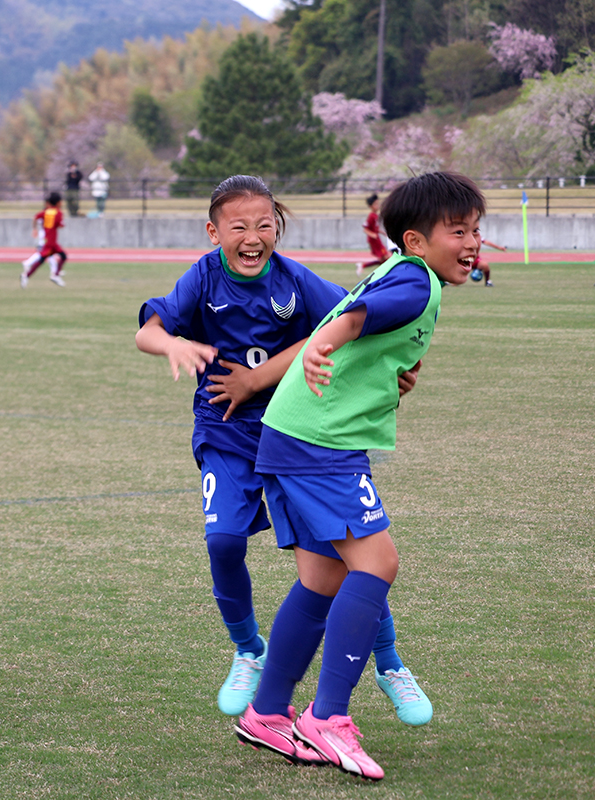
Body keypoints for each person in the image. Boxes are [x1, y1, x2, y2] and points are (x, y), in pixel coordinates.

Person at [135, 174, 428, 736]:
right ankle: (248, 649)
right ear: (213, 231)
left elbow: (350, 322)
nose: (253, 236)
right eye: (238, 226)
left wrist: (391, 373)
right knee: (222, 540)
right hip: (225, 431)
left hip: (301, 434)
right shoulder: (203, 276)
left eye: (264, 225)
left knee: (344, 553)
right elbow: (149, 330)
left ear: (279, 228)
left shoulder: (295, 281)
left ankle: (390, 663)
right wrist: (171, 341)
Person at [236, 172, 485, 781]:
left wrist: (387, 372)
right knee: (378, 563)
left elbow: (371, 331)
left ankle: (267, 713)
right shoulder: (415, 281)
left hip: (293, 433)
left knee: (323, 577)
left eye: (476, 230)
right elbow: (358, 319)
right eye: (459, 231)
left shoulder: (401, 271)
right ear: (416, 240)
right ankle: (328, 720)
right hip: (322, 445)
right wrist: (323, 343)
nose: (473, 242)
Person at [20, 191, 68, 287]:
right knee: (42, 260)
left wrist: (34, 229)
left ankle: (55, 275)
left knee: (62, 256)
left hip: (48, 240)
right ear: (58, 202)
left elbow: (35, 217)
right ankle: (26, 275)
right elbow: (61, 225)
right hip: (51, 242)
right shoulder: (58, 213)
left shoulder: (45, 211)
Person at [357, 193, 390, 275]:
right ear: (371, 206)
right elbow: (365, 229)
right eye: (375, 204)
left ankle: (362, 265)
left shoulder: (375, 215)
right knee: (386, 257)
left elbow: (375, 228)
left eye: (378, 203)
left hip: (376, 239)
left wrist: (382, 232)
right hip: (374, 241)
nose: (378, 206)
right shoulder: (371, 216)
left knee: (382, 260)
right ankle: (385, 274)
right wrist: (373, 235)